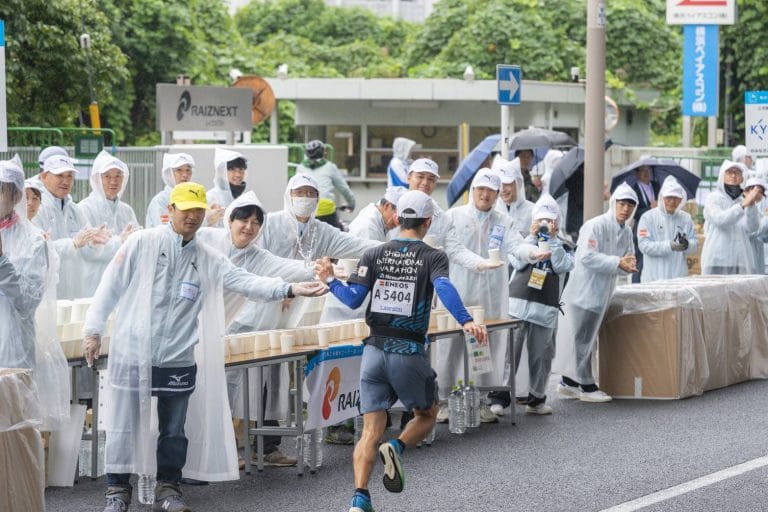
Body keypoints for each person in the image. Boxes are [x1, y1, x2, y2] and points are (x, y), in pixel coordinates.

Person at [82, 182, 326, 512]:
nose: (193, 216)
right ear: (171, 210)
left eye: (198, 210)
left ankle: (169, 488)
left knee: (173, 430)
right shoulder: (142, 243)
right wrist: (93, 330)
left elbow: (246, 281)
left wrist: (291, 289)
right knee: (124, 424)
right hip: (133, 352)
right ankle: (117, 490)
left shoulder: (207, 257)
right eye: (186, 210)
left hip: (178, 357)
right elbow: (109, 286)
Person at [313, 190, 488, 512]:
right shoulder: (433, 256)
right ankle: (396, 445)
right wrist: (466, 320)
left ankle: (359, 499)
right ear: (428, 222)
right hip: (407, 350)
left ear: (397, 219)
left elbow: (353, 299)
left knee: (370, 430)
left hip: (373, 351)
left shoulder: (373, 254)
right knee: (427, 414)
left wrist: (330, 280)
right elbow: (444, 287)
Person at [197, 191, 315, 468]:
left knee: (235, 389)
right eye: (244, 220)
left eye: (255, 223)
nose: (249, 227)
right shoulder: (206, 239)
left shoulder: (257, 256)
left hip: (234, 332)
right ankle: (203, 454)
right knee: (200, 394)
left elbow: (287, 269)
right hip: (195, 330)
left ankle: (235, 450)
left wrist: (319, 270)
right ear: (229, 220)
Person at [438, 168, 541, 423]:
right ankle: (444, 402)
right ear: (473, 190)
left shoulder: (503, 220)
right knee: (449, 347)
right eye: (481, 189)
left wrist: (533, 253)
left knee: (484, 349)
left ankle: (481, 401)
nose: (485, 195)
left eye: (491, 191)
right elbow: (447, 250)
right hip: (458, 292)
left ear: (497, 194)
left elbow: (516, 245)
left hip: (490, 296)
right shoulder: (453, 216)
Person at [552, 182, 638, 403]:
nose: (625, 209)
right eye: (622, 203)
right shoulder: (595, 225)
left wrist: (626, 264)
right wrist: (617, 262)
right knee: (581, 340)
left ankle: (568, 382)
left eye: (630, 205)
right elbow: (586, 257)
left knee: (585, 339)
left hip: (601, 293)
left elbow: (627, 258)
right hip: (583, 291)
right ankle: (587, 385)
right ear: (613, 202)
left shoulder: (627, 231)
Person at [507, 194, 574, 414]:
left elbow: (562, 266)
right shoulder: (523, 242)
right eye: (540, 220)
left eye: (549, 220)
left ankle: (536, 399)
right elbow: (516, 261)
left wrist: (552, 241)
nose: (545, 224)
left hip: (545, 309)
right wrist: (530, 237)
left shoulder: (564, 246)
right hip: (517, 306)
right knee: (509, 354)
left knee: (542, 355)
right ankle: (499, 398)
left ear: (557, 222)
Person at [33, 154, 109, 299]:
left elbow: (88, 254)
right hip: (47, 292)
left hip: (75, 289)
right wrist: (72, 244)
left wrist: (93, 243)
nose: (66, 181)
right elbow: (37, 252)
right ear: (43, 177)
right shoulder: (37, 209)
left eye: (70, 176)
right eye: (60, 175)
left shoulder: (75, 210)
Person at [0, 157, 48, 369]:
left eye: (1, 191)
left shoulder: (33, 241)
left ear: (16, 196)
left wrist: (2, 262)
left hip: (13, 353)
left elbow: (28, 300)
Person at [78, 151, 141, 296]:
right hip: (94, 283)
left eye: (118, 176)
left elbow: (136, 246)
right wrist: (120, 241)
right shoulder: (84, 209)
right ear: (97, 179)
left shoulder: (126, 210)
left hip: (122, 283)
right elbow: (86, 251)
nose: (113, 181)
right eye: (107, 176)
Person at [701, 160, 762, 275]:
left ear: (742, 178)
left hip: (740, 259)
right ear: (722, 176)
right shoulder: (713, 198)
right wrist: (742, 206)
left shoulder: (744, 199)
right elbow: (720, 220)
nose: (733, 176)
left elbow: (753, 227)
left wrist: (751, 205)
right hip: (717, 259)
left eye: (737, 173)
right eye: (729, 172)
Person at [637, 176, 698, 282]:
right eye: (668, 198)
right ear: (662, 197)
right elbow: (644, 245)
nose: (672, 202)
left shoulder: (686, 218)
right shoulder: (647, 217)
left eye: (676, 198)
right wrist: (669, 246)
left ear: (681, 200)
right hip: (653, 279)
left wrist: (687, 244)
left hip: (678, 278)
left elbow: (695, 244)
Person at [295, 140, 356, 219]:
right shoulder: (330, 167)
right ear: (323, 153)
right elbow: (343, 188)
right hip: (325, 209)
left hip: (305, 209)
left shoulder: (300, 168)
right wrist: (351, 204)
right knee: (336, 227)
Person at [630, 164, 661, 283]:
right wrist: (650, 208)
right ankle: (636, 285)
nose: (646, 173)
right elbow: (634, 212)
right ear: (637, 173)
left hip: (656, 227)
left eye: (648, 170)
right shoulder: (634, 189)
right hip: (641, 228)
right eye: (642, 170)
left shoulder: (656, 186)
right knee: (639, 260)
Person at [492, 155, 535, 237]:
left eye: (507, 184)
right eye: (499, 185)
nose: (503, 189)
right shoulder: (493, 211)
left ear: (518, 184)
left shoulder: (533, 211)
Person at [206, 148, 248, 212]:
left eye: (241, 169)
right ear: (221, 172)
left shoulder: (246, 197)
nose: (238, 174)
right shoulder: (210, 197)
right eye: (232, 169)